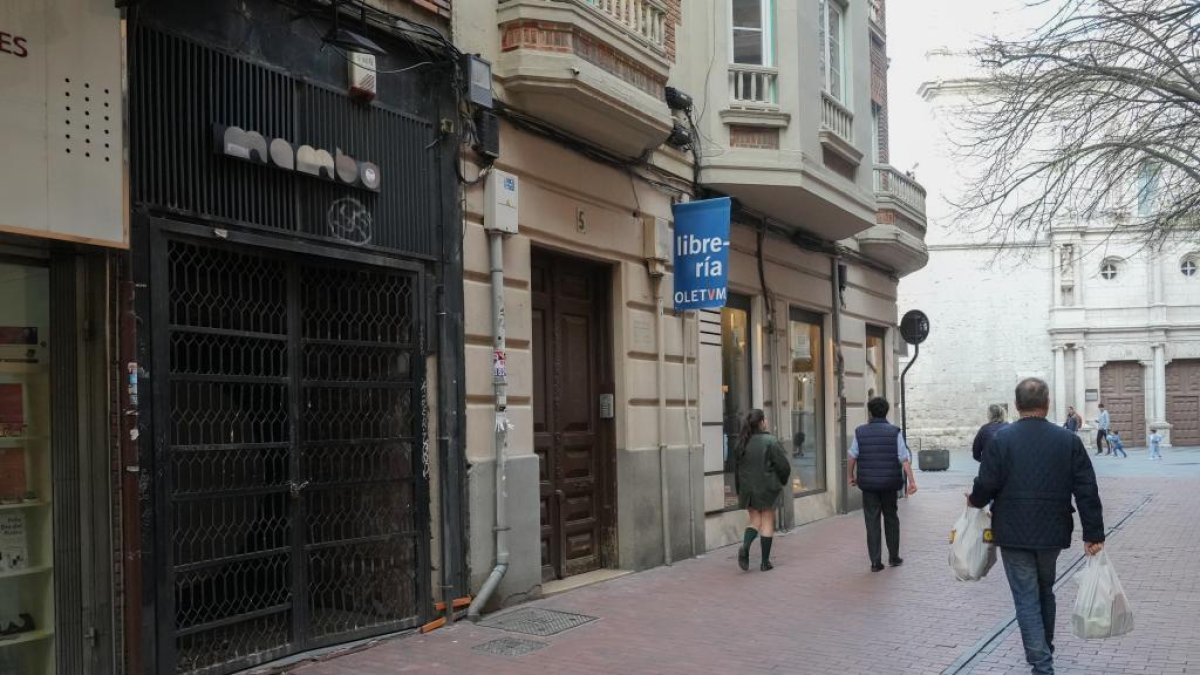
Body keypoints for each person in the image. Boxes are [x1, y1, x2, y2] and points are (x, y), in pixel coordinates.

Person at [969, 378, 1105, 675]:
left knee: (1026, 596)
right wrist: (1093, 533)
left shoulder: (1001, 440)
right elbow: (1086, 488)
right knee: (1045, 589)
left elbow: (986, 483)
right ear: (1048, 403)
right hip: (1053, 530)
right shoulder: (1067, 441)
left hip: (1013, 529)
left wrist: (974, 501)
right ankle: (1045, 648)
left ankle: (1042, 663)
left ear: (1017, 405)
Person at [848, 397, 919, 572]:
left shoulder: (860, 432)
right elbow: (904, 459)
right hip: (889, 483)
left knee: (871, 521)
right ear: (886, 412)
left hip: (869, 484)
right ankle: (894, 557)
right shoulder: (894, 432)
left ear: (870, 412)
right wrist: (912, 481)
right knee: (891, 518)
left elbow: (852, 456)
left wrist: (850, 476)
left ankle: (875, 562)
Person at [734, 409, 791, 572]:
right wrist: (782, 481)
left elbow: (737, 470)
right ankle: (765, 563)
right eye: (765, 419)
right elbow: (784, 466)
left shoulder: (741, 442)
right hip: (767, 488)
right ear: (761, 422)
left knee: (755, 521)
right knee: (767, 521)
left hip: (748, 489)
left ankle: (745, 546)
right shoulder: (770, 441)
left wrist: (740, 490)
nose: (766, 422)